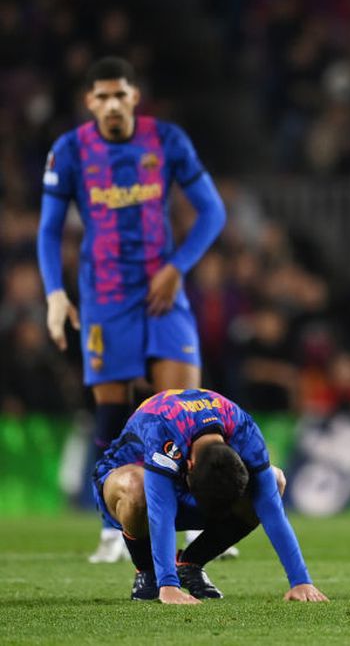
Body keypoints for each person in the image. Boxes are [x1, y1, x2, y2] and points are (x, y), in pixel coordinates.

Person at [37, 56, 227, 562]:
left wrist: (177, 266)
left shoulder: (166, 140)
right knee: (112, 409)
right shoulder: (70, 150)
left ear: (134, 97)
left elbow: (214, 210)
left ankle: (190, 523)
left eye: (120, 94)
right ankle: (111, 527)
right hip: (104, 295)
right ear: (89, 102)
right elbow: (50, 229)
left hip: (161, 290)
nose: (112, 104)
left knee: (183, 404)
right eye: (102, 96)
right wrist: (56, 294)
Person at [94, 388, 328, 604]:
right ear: (189, 466)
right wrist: (168, 586)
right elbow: (160, 509)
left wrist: (300, 581)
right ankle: (147, 572)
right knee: (137, 485)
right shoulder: (163, 429)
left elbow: (271, 507)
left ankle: (190, 563)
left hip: (186, 489)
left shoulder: (243, 430)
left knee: (274, 481)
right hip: (131, 487)